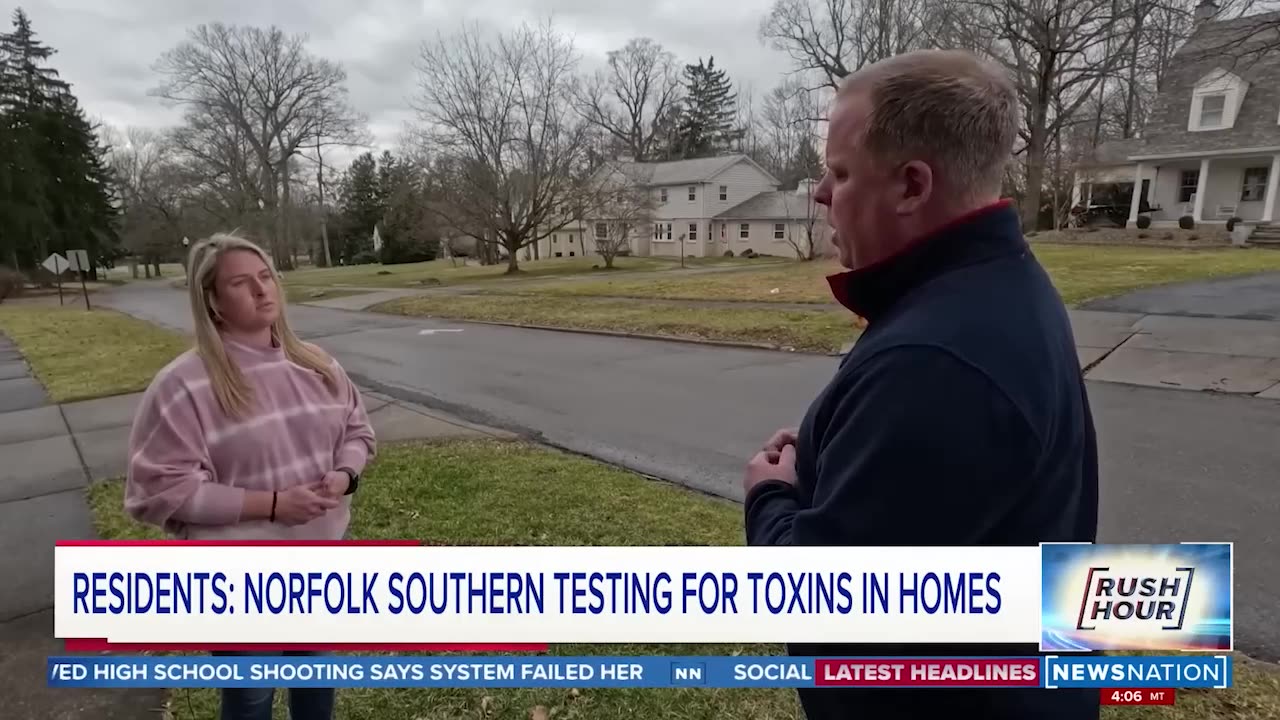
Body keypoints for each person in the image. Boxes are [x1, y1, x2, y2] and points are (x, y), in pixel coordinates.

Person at [742, 50, 1100, 719]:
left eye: (841, 172)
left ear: (911, 186)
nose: (819, 193)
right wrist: (832, 460)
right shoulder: (995, 288)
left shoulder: (936, 361)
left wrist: (770, 495)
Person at [125, 232, 375, 720]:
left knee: (316, 685)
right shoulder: (184, 385)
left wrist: (346, 474)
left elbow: (358, 430)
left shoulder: (318, 364)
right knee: (251, 697)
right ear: (213, 302)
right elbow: (161, 492)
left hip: (319, 565)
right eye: (241, 283)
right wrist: (275, 504)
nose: (262, 291)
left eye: (266, 277)